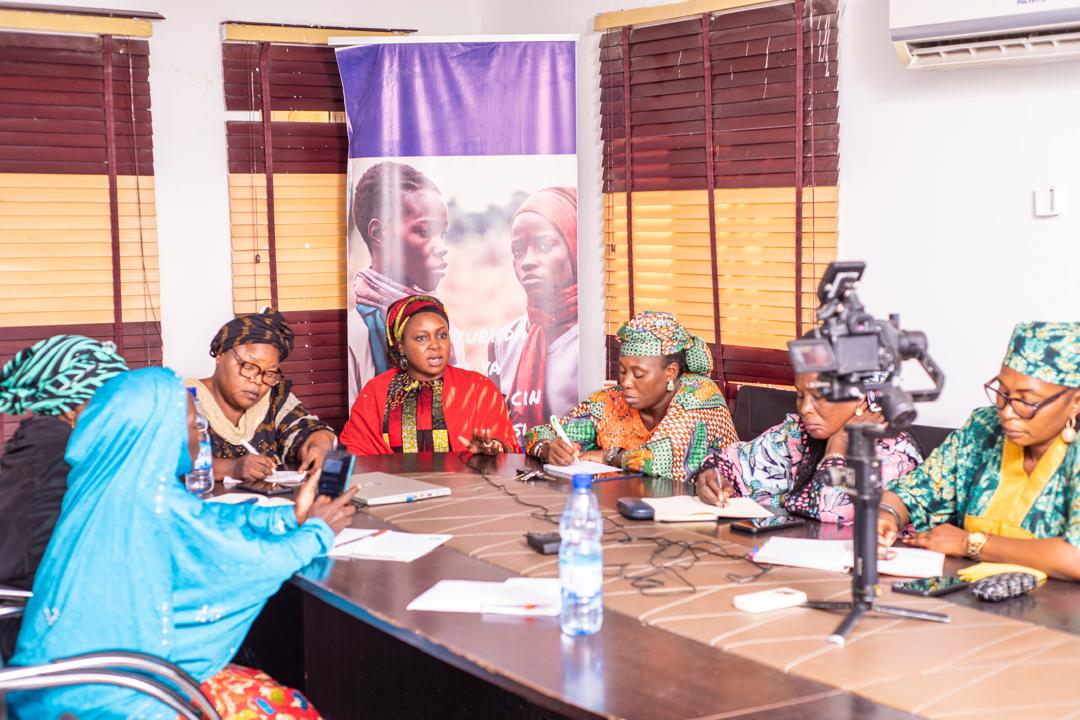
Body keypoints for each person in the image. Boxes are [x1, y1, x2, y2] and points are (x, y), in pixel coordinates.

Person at [8, 367, 357, 718]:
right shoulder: (153, 502)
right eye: (192, 425)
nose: (199, 437)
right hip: (114, 697)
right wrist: (317, 532)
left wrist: (288, 518)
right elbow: (247, 561)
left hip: (49, 682)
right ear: (160, 433)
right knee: (290, 708)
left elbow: (207, 522)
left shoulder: (100, 483)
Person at [879, 321, 1080, 580]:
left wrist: (970, 543)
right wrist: (886, 516)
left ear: (1076, 402)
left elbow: (1076, 558)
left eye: (1026, 401)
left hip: (1059, 613)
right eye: (1002, 393)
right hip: (970, 599)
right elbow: (911, 493)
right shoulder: (983, 430)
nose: (1007, 412)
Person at [0, 335, 128, 660]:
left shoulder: (48, 440)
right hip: (36, 629)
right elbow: (15, 557)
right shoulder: (55, 452)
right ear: (73, 402)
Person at [525, 311, 738, 482]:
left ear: (670, 372)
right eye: (623, 371)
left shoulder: (700, 394)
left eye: (639, 374)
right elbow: (538, 433)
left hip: (716, 520)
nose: (626, 382)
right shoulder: (612, 401)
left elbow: (659, 462)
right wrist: (549, 448)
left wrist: (606, 456)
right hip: (635, 511)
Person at [694, 373, 923, 523]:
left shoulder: (894, 454)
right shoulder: (798, 433)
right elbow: (737, 463)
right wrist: (714, 477)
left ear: (863, 399)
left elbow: (835, 511)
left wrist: (839, 442)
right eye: (801, 395)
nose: (805, 408)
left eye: (820, 397)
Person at [340, 294, 518, 455]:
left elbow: (508, 448)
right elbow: (356, 452)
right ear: (400, 345)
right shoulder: (377, 391)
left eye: (442, 335)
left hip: (467, 488)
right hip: (396, 488)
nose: (435, 345)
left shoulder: (477, 388)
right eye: (421, 338)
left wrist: (494, 449)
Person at [348, 161, 467, 398]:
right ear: (379, 233)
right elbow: (357, 423)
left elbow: (465, 409)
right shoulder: (358, 332)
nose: (441, 247)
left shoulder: (447, 329)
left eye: (442, 233)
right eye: (424, 231)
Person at [187, 309, 336, 483]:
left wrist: (319, 445)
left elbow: (307, 429)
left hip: (274, 506)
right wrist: (232, 468)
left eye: (270, 373)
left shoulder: (274, 398)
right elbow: (163, 462)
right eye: (249, 366)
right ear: (220, 356)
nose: (258, 381)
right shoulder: (185, 399)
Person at [488, 187, 579, 435]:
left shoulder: (598, 341)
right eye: (518, 251)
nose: (527, 261)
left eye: (544, 245)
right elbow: (495, 428)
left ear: (575, 245)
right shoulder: (502, 341)